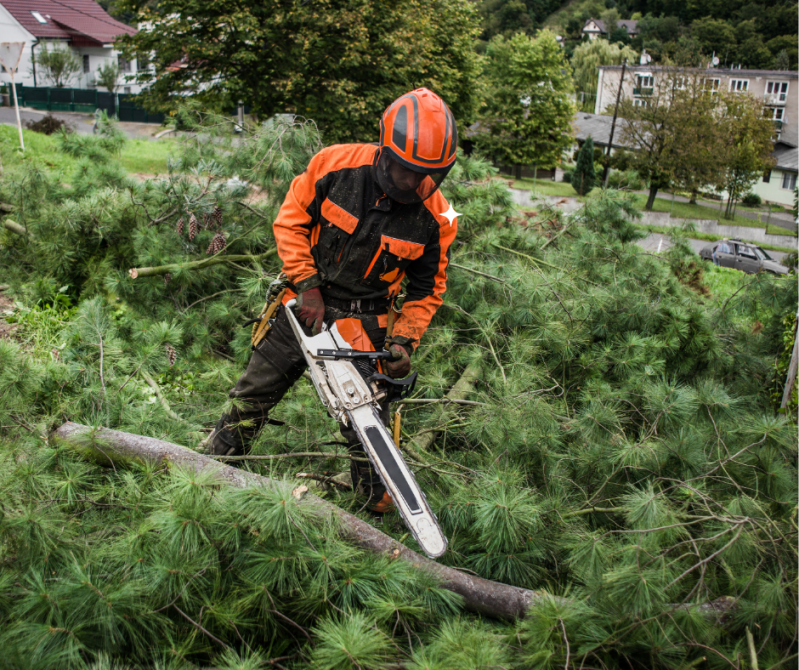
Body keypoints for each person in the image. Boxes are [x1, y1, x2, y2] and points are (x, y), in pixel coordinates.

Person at [209, 88, 459, 513]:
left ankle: (374, 508)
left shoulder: (435, 217)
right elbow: (290, 222)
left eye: (429, 174)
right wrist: (307, 284)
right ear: (387, 152)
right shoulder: (335, 166)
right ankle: (212, 470)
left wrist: (404, 342)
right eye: (408, 172)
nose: (417, 183)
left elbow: (427, 289)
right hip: (304, 306)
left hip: (366, 322)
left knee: (366, 427)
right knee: (253, 395)